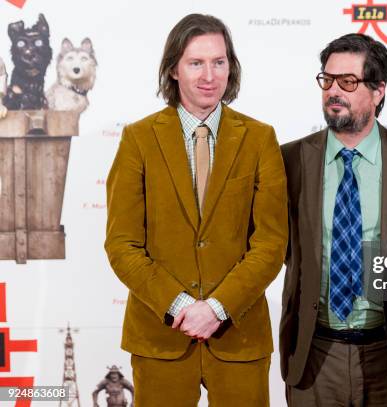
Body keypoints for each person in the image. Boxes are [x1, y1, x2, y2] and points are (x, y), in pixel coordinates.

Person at [104, 14, 287, 406]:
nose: (210, 75)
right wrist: (182, 306)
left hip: (239, 336)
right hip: (160, 336)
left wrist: (219, 308)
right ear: (173, 68)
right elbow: (122, 244)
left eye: (219, 62)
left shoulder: (259, 138)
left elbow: (271, 243)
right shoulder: (138, 139)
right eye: (196, 63)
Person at [280, 33, 387, 406]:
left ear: (378, 91)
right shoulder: (289, 160)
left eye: (348, 82)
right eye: (327, 80)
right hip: (314, 353)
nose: (333, 91)